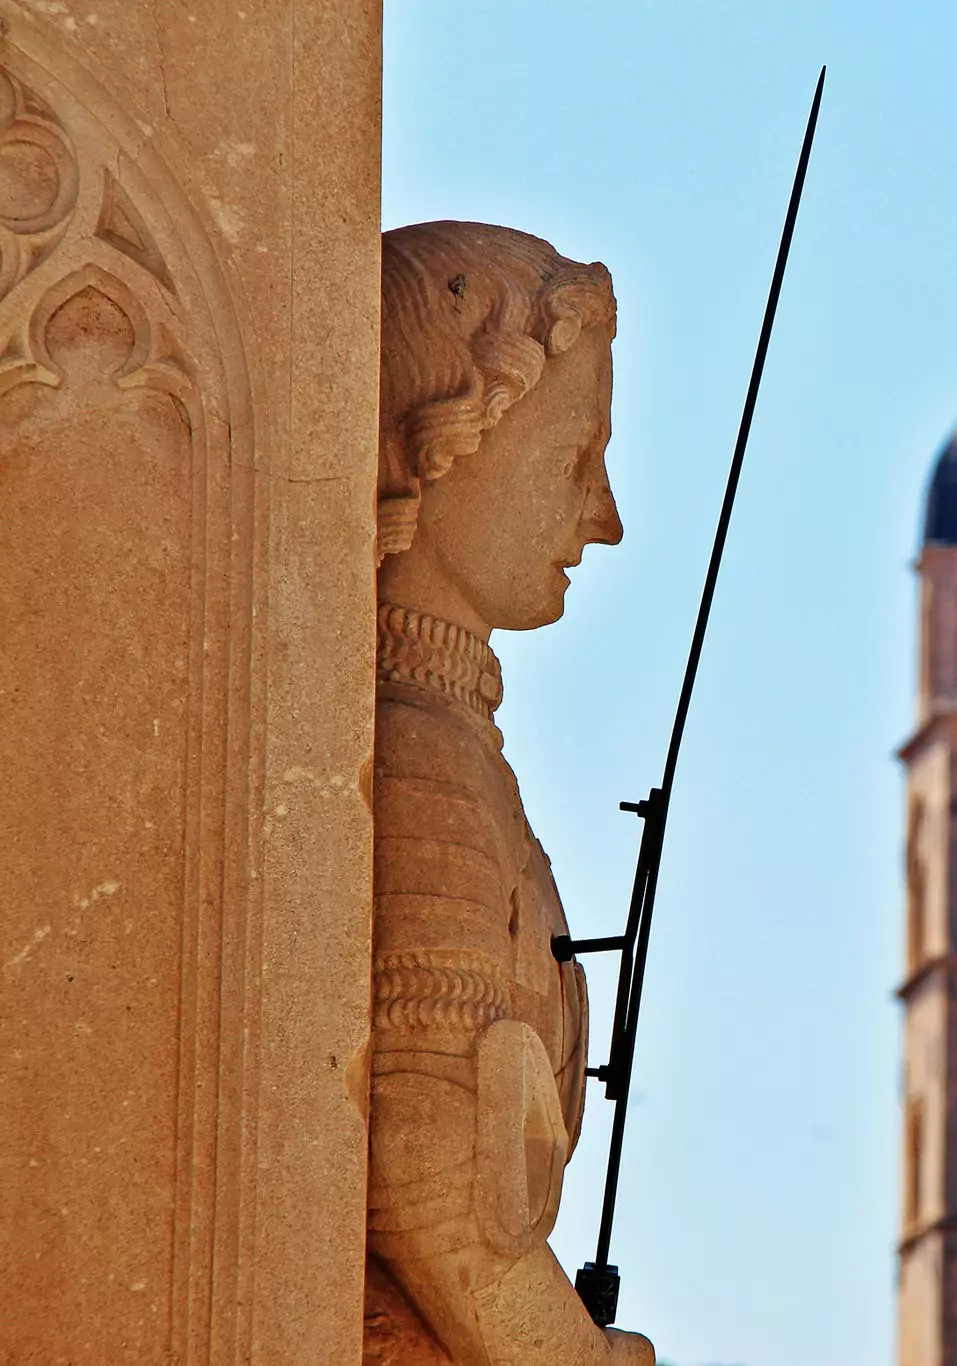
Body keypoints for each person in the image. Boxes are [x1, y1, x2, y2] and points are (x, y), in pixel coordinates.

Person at [364, 220, 652, 1366]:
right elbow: (419, 1156)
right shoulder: (422, 760)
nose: (604, 515)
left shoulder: (451, 745)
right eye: (573, 456)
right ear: (449, 441)